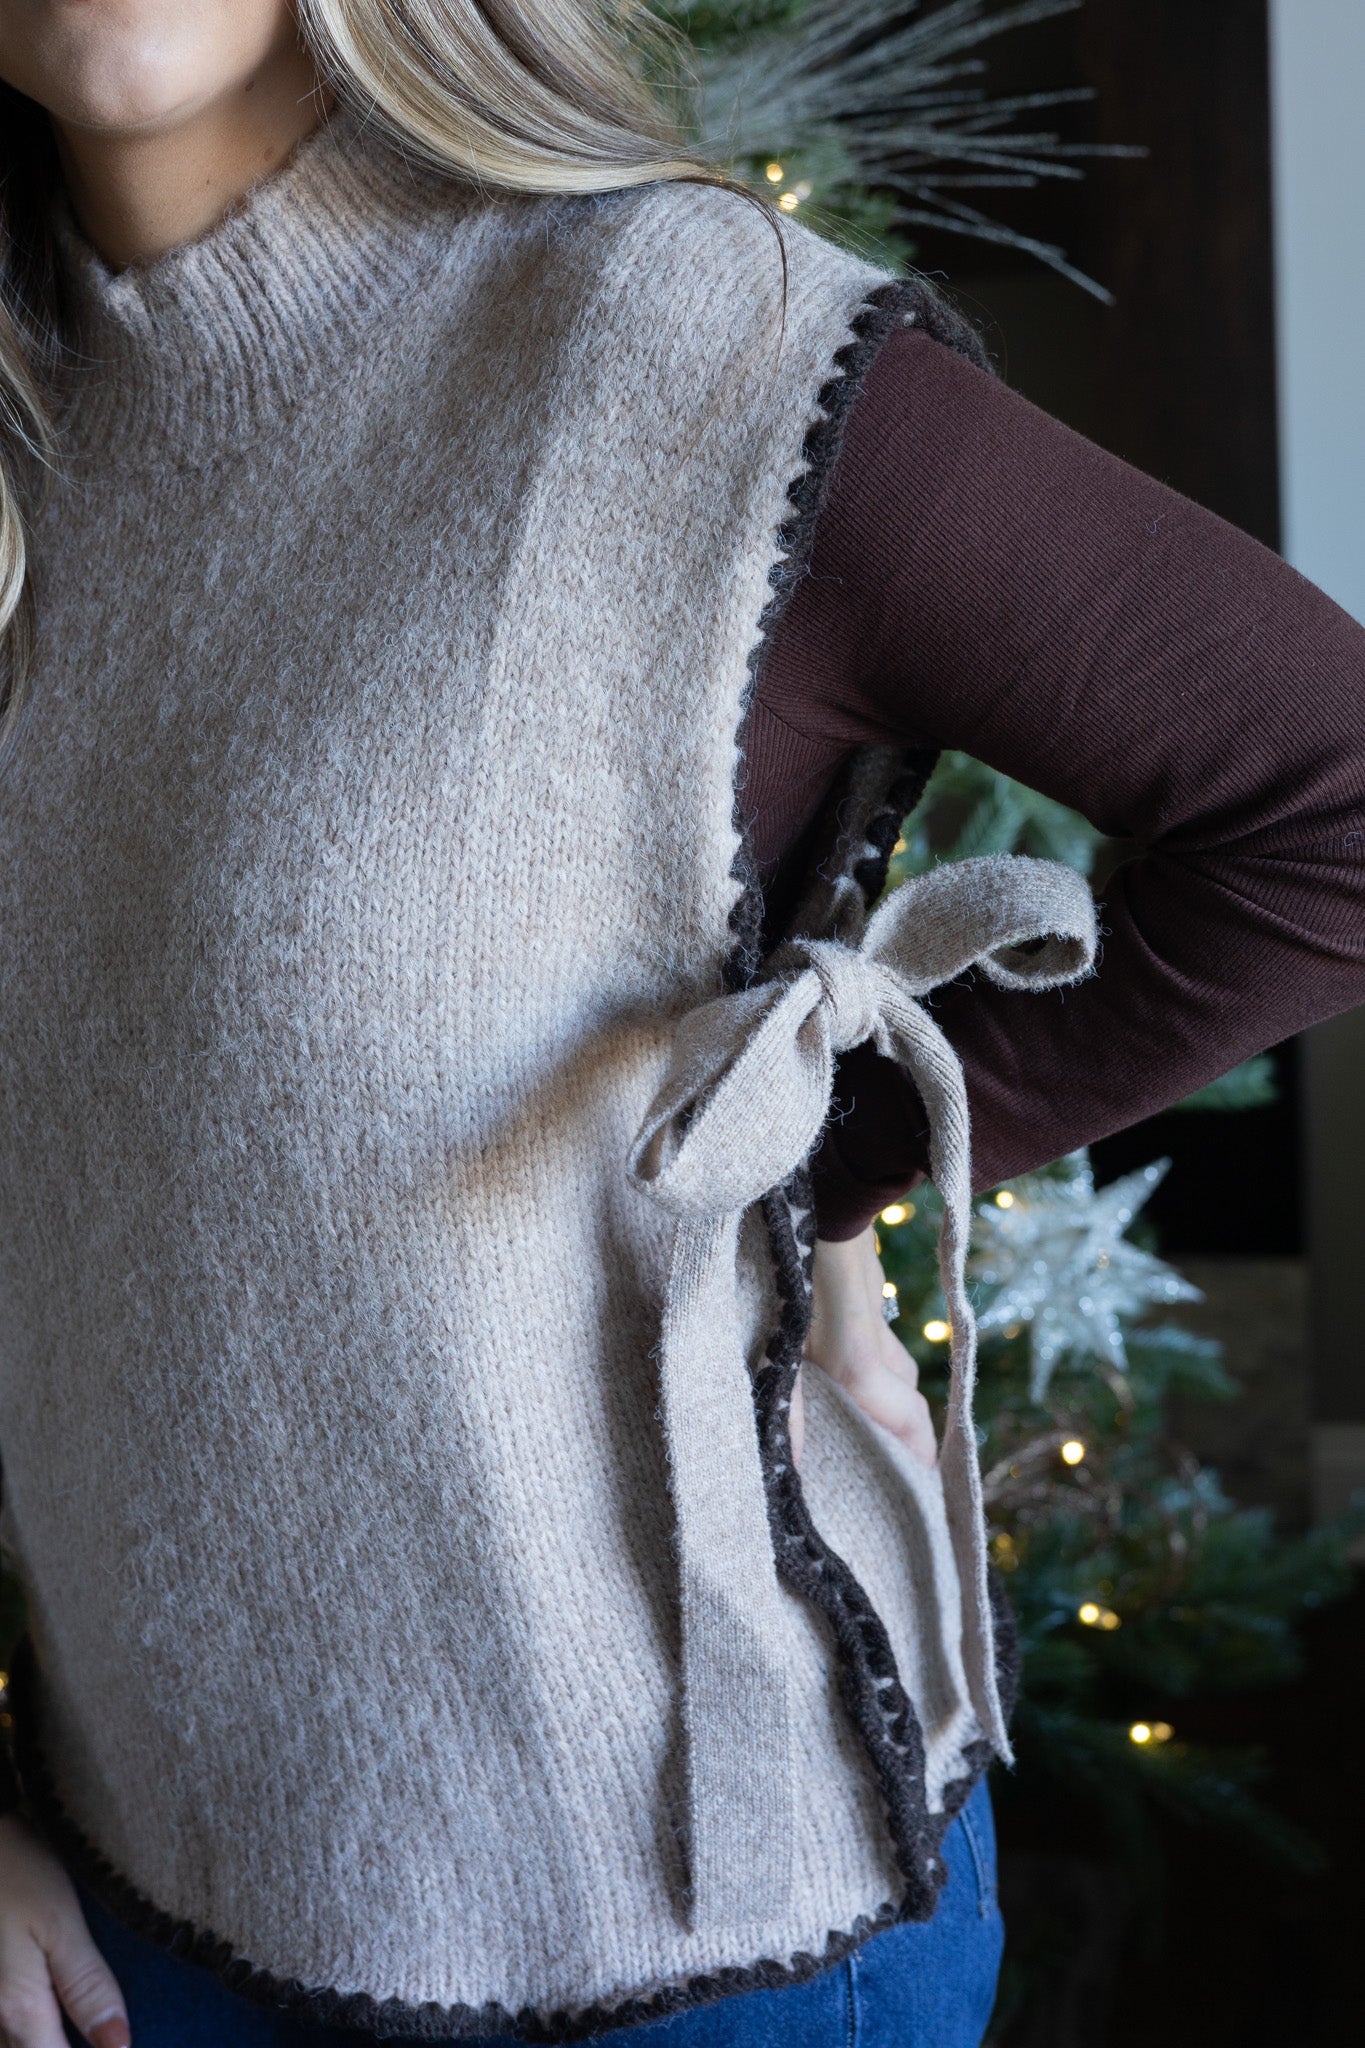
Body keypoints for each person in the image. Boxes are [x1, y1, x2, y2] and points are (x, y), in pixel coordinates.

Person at [0, 5, 1360, 2047]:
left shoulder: (682, 343)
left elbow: (1320, 807)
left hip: (681, 1947)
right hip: (122, 1931)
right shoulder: (26, 434)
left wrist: (814, 1171)